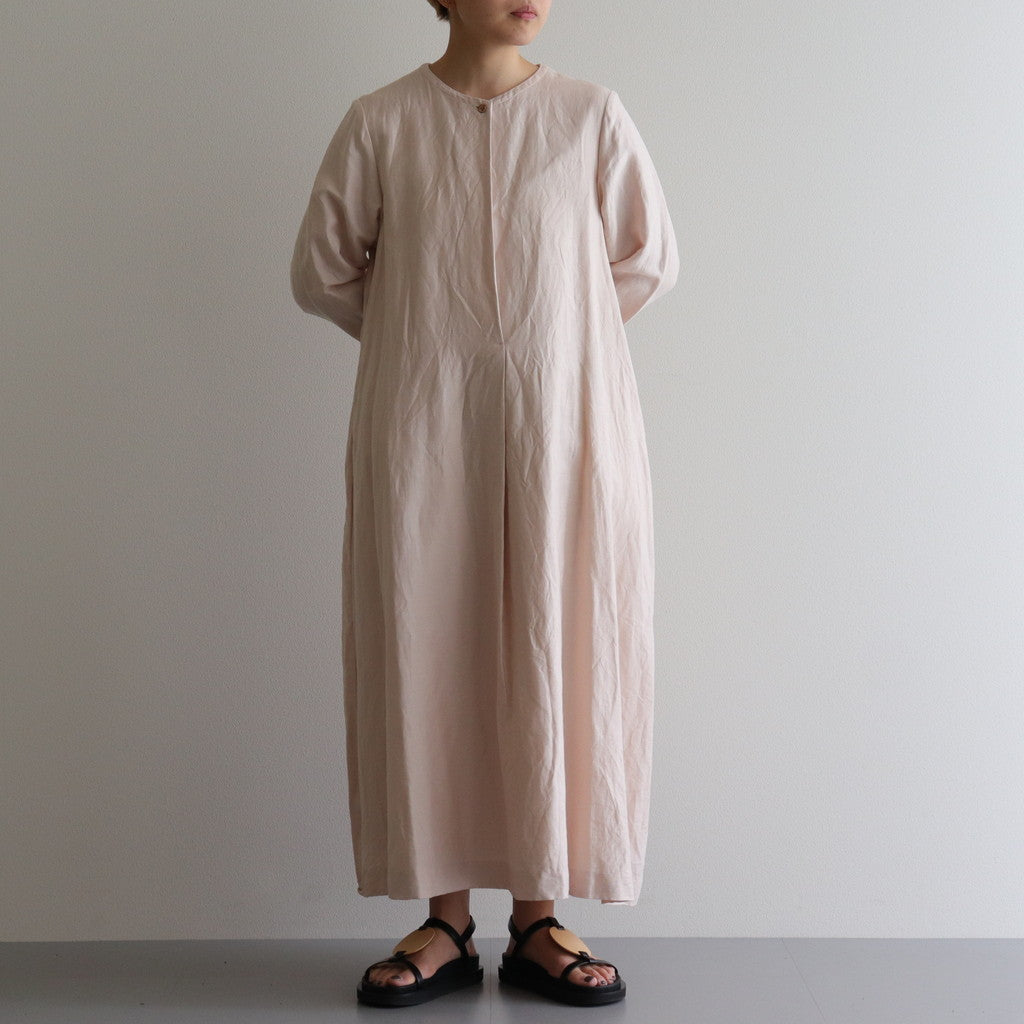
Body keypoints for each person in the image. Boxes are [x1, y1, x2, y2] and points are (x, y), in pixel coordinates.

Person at [290, 0, 679, 1008]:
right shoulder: (382, 121)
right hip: (423, 426)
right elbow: (321, 270)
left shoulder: (590, 115)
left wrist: (556, 340)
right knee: (430, 637)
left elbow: (646, 258)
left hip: (563, 427)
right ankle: (446, 918)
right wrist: (424, 334)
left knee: (556, 631)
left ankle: (541, 916)